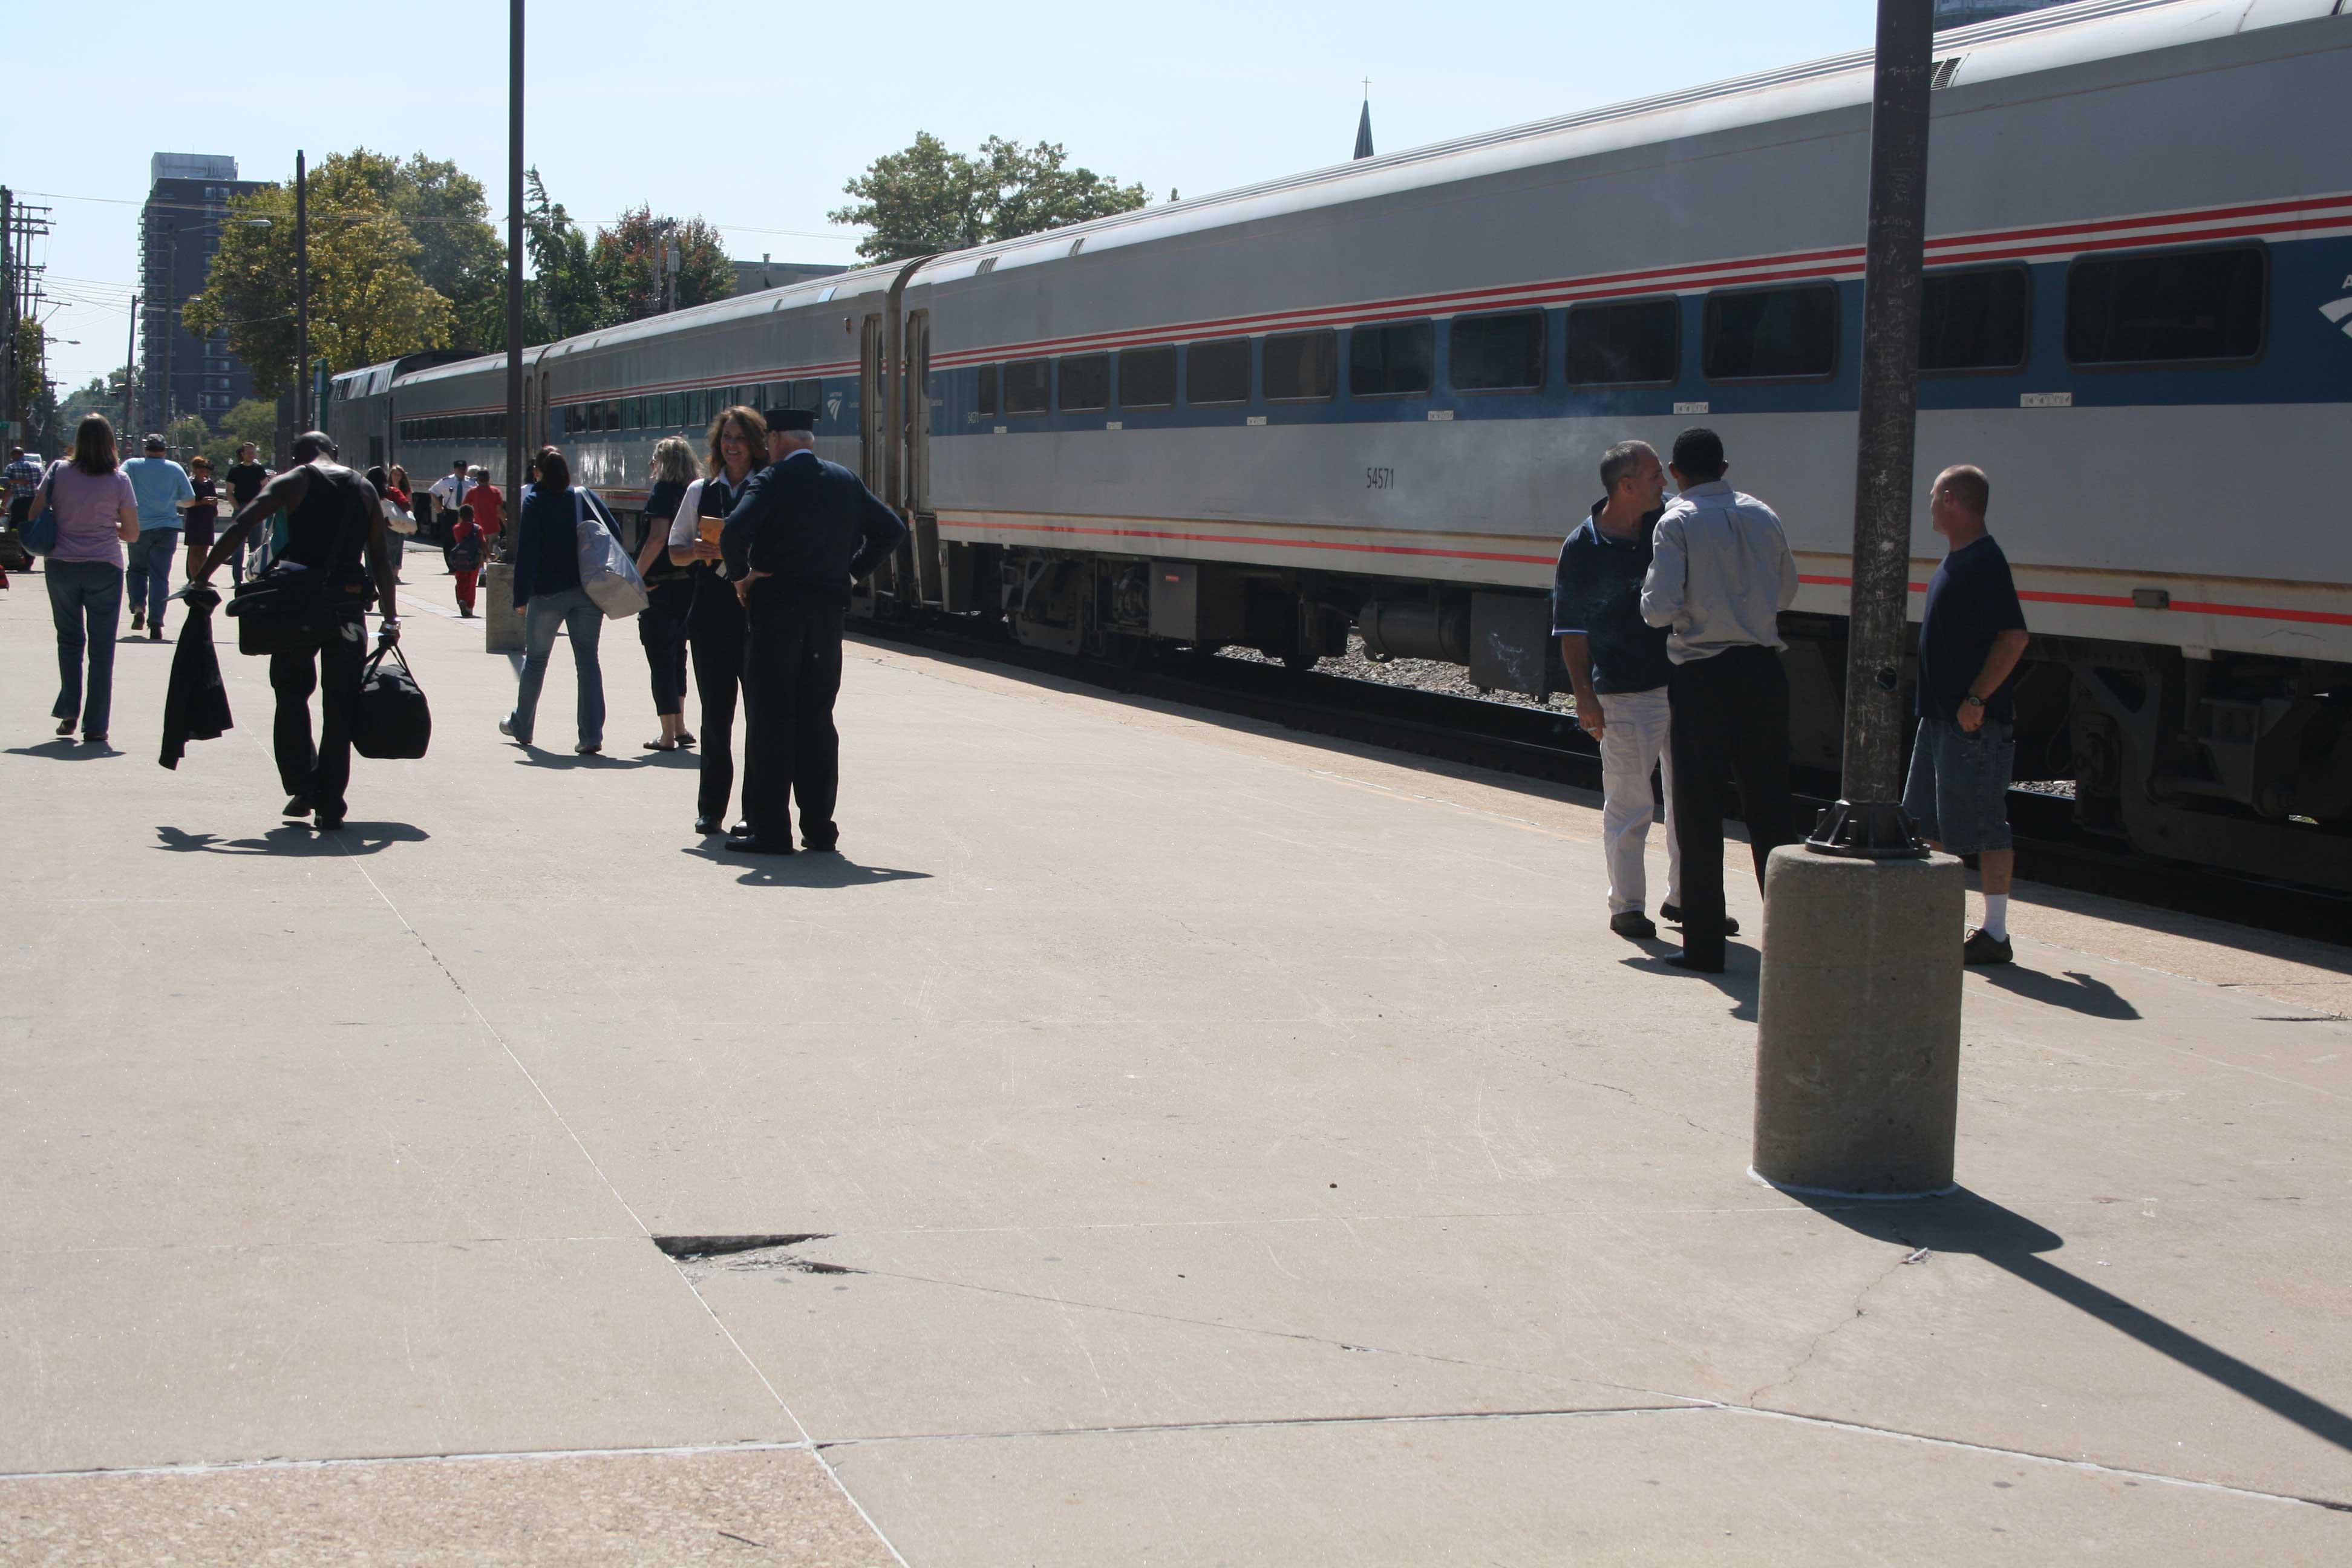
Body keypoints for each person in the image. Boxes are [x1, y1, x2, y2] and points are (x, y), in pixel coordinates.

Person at [1555, 438, 1731, 942]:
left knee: (1691, 802)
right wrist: (1584, 696)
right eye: (1655, 475)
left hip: (1685, 681)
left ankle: (1686, 899)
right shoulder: (1583, 545)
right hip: (1624, 691)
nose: (1666, 481)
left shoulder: (1668, 526)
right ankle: (1628, 905)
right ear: (1626, 486)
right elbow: (1571, 628)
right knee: (1631, 803)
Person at [1638, 427, 1800, 973]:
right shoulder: (1764, 514)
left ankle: (1705, 946)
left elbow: (1658, 608)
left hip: (1703, 677)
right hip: (1763, 673)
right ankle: (1793, 941)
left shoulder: (1676, 521)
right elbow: (1786, 592)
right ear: (1725, 466)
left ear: (1675, 470)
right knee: (1772, 808)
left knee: (1700, 810)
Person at [717, 408, 907, 854]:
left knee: (771, 720)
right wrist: (853, 573)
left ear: (778, 438)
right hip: (826, 618)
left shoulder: (771, 481)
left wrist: (742, 576)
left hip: (776, 614)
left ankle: (771, 831)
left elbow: (732, 533)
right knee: (817, 719)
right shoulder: (844, 480)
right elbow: (891, 530)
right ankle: (819, 827)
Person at [198, 431, 399, 832]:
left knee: (290, 695)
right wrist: (390, 619)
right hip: (347, 608)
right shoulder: (363, 488)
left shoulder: (294, 481)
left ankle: (303, 785)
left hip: (297, 606)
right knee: (339, 706)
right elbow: (379, 557)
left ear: (296, 457)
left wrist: (202, 577)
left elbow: (241, 524)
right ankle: (331, 803)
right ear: (335, 452)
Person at [1904, 464, 2031, 967]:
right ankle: (1934, 923)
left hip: (1968, 722)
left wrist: (1976, 700)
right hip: (1938, 721)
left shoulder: (1984, 561)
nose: (1930, 504)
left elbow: (2014, 638)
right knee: (1927, 824)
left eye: (1935, 496)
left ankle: (1995, 933)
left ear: (1952, 499)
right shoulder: (1959, 559)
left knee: (1983, 825)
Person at [668, 407, 764, 834]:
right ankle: (711, 809)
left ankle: (753, 811)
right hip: (710, 617)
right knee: (716, 718)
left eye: (741, 437)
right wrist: (697, 551)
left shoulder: (768, 490)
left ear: (757, 444)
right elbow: (675, 551)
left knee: (760, 719)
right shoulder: (700, 491)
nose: (732, 445)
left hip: (757, 616)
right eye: (726, 437)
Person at [38, 416, 141, 746]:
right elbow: (132, 534)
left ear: (78, 440)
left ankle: (69, 710)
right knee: (102, 649)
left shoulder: (58, 471)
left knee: (69, 640)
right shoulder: (119, 480)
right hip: (105, 566)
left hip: (62, 565)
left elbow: (33, 514)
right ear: (111, 442)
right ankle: (95, 725)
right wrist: (108, 526)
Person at [501, 445, 609, 754]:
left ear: (538, 473)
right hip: (586, 594)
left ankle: (522, 724)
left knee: (535, 661)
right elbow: (611, 532)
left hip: (547, 594)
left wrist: (521, 596)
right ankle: (591, 736)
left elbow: (528, 553)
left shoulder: (535, 502)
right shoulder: (582, 498)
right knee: (588, 662)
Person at [638, 437, 697, 752]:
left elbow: (658, 538)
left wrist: (636, 575)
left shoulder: (662, 492)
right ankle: (681, 725)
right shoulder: (696, 492)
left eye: (654, 460)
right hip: (688, 583)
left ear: (664, 463)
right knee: (678, 655)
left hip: (659, 584)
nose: (651, 466)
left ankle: (666, 735)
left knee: (660, 657)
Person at [122, 434, 193, 641]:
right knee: (160, 576)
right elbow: (189, 500)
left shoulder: (132, 465)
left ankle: (138, 607)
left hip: (139, 526)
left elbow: (118, 483)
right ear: (164, 449)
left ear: (146, 449)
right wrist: (171, 501)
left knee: (136, 569)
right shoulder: (174, 468)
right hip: (167, 528)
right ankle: (156, 622)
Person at [225, 442, 271, 579]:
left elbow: (266, 487)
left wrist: (261, 503)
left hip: (256, 509)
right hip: (241, 509)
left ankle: (254, 577)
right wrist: (237, 508)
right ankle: (237, 579)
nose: (251, 455)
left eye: (253, 452)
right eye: (248, 453)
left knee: (256, 547)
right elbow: (229, 491)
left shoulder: (259, 469)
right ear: (242, 454)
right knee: (238, 547)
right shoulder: (235, 470)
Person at [179, 455, 221, 587]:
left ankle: (203, 578)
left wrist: (214, 504)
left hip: (207, 519)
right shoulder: (191, 484)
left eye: (206, 469)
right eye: (201, 468)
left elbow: (215, 500)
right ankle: (193, 578)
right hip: (194, 519)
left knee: (204, 550)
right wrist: (202, 502)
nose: (204, 471)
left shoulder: (210, 484)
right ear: (196, 469)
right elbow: (187, 503)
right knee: (194, 550)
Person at [427, 460, 470, 567]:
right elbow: (433, 491)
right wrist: (438, 504)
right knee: (448, 539)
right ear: (455, 470)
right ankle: (451, 565)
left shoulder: (471, 483)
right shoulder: (446, 481)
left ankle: (463, 562)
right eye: (459, 469)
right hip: (450, 513)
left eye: (463, 469)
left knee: (464, 539)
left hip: (465, 514)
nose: (461, 471)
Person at [449, 502, 484, 616]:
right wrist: (489, 555)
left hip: (460, 559)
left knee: (461, 581)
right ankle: (469, 606)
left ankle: (461, 600)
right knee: (471, 583)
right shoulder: (478, 529)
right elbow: (482, 543)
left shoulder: (456, 528)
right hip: (474, 559)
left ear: (460, 516)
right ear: (473, 515)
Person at [466, 466, 503, 560]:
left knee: (480, 549)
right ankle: (490, 565)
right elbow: (499, 511)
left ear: (477, 479)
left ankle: (482, 570)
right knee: (491, 551)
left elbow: (465, 509)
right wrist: (506, 523)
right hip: (493, 527)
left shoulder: (472, 492)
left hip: (479, 526)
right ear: (489, 478)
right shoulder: (495, 492)